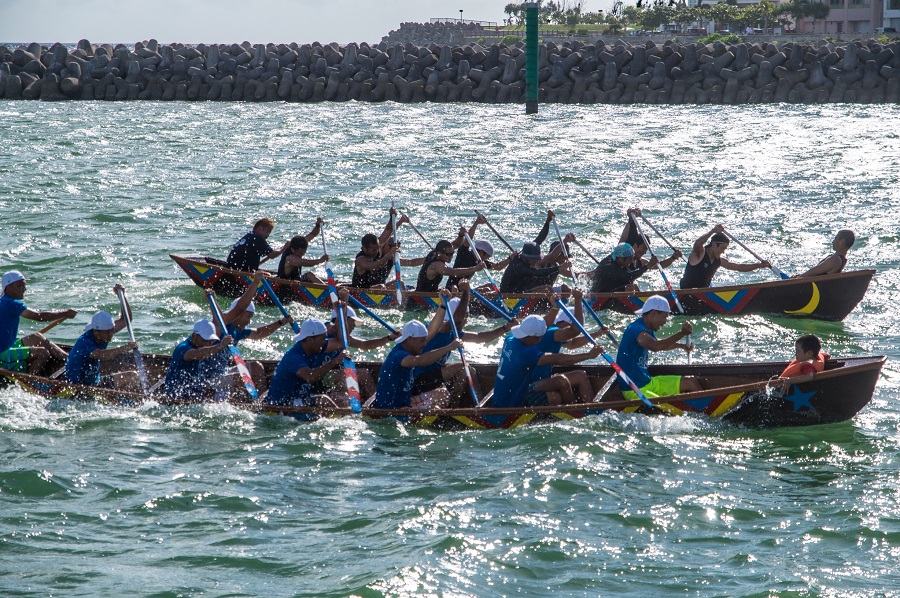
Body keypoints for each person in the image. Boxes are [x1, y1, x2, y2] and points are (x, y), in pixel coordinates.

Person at [410, 282, 516, 407]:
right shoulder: (439, 328)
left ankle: (470, 406)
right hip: (417, 379)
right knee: (462, 368)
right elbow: (457, 319)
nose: (466, 319)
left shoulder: (455, 332)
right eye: (466, 316)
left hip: (432, 376)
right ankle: (462, 409)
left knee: (469, 369)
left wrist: (505, 328)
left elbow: (479, 338)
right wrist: (466, 292)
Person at [491, 314, 603, 408]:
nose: (541, 340)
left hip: (508, 391)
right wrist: (588, 355)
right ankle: (576, 414)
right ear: (531, 336)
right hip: (511, 401)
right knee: (557, 392)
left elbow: (540, 324)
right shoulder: (525, 353)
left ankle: (586, 410)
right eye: (539, 338)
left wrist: (554, 308)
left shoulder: (511, 337)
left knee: (571, 378)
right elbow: (558, 359)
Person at [207, 274, 292, 395]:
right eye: (249, 316)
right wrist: (255, 282)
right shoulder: (222, 325)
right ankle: (245, 404)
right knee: (243, 378)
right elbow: (240, 308)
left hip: (223, 372)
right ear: (239, 314)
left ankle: (262, 402)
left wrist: (280, 323)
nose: (249, 321)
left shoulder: (238, 331)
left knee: (256, 367)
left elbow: (258, 333)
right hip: (209, 378)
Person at [318, 288, 400, 400]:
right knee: (364, 374)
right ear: (344, 319)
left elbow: (365, 345)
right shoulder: (326, 329)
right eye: (353, 322)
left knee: (350, 380)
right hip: (320, 374)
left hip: (333, 371)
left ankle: (360, 404)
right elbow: (336, 326)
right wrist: (343, 306)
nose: (355, 326)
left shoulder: (345, 337)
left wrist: (389, 338)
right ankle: (377, 404)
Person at [615, 295, 701, 401]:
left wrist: (681, 346)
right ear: (654, 313)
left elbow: (660, 344)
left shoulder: (647, 328)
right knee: (665, 406)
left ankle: (706, 410)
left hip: (649, 382)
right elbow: (656, 346)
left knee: (690, 382)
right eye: (664, 317)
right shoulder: (636, 329)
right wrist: (682, 333)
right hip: (634, 390)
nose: (664, 322)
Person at [0, 270, 77, 375]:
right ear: (8, 288)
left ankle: (71, 360)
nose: (24, 289)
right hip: (2, 355)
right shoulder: (11, 303)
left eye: (24, 285)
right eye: (19, 286)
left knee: (36, 337)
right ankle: (31, 382)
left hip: (9, 347)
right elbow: (39, 316)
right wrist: (65, 313)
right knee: (42, 353)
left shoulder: (3, 301)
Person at [374, 318, 461, 410]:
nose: (424, 344)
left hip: (406, 402)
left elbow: (433, 330)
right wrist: (448, 348)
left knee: (443, 394)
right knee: (435, 408)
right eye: (422, 341)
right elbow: (420, 361)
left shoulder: (407, 348)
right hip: (393, 409)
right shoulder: (399, 355)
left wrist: (443, 306)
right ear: (410, 339)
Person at [64, 285, 140, 389]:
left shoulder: (104, 333)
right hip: (77, 386)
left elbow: (126, 319)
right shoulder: (85, 342)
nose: (111, 335)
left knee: (132, 375)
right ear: (96, 331)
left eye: (112, 331)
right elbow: (102, 355)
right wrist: (126, 348)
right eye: (108, 332)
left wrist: (121, 296)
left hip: (96, 383)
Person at [266, 319, 349, 408]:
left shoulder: (315, 347)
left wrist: (342, 313)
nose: (325, 342)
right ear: (310, 340)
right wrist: (335, 361)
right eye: (323, 338)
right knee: (323, 400)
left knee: (339, 399)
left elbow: (341, 343)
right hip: (282, 403)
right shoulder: (294, 357)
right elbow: (311, 377)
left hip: (299, 398)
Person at [679, 224, 770, 289]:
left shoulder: (719, 261)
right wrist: (713, 231)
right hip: (686, 292)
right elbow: (698, 243)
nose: (723, 252)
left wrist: (759, 265)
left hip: (703, 294)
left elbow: (739, 267)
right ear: (714, 245)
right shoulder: (699, 254)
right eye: (723, 248)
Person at [163, 319, 234, 401]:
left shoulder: (204, 348)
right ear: (194, 336)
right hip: (176, 399)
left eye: (210, 342)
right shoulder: (182, 348)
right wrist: (220, 346)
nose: (207, 344)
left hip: (195, 398)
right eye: (204, 341)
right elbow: (195, 354)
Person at [350, 210, 423, 289]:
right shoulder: (361, 260)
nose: (376, 251)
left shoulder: (378, 250)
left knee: (399, 283)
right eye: (373, 250)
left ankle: (407, 300)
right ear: (363, 249)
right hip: (362, 291)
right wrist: (389, 254)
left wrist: (392, 217)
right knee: (381, 286)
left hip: (380, 289)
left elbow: (388, 231)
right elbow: (375, 266)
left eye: (377, 248)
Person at [227, 217, 322, 272]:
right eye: (268, 232)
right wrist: (284, 247)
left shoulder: (250, 236)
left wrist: (318, 225)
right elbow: (272, 255)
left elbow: (311, 235)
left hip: (234, 268)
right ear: (260, 228)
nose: (268, 235)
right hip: (238, 272)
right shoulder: (256, 238)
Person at [500, 235, 573, 293]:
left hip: (520, 292)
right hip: (509, 296)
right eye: (534, 259)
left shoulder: (525, 260)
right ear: (527, 257)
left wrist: (565, 240)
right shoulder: (518, 266)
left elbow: (541, 238)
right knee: (546, 288)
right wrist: (559, 268)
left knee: (555, 288)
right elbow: (537, 272)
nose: (536, 261)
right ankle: (553, 308)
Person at [413, 238, 484, 293]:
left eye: (452, 253)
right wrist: (475, 268)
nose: (451, 256)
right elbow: (453, 273)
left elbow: (456, 244)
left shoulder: (435, 252)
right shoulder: (437, 265)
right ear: (439, 254)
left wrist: (461, 235)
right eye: (448, 254)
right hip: (425, 296)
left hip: (432, 291)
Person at [590, 242, 658, 293]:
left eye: (632, 258)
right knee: (632, 287)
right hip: (600, 295)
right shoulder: (609, 267)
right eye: (629, 259)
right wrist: (647, 266)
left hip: (611, 289)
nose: (631, 262)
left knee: (632, 286)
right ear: (621, 258)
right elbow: (628, 277)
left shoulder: (616, 257)